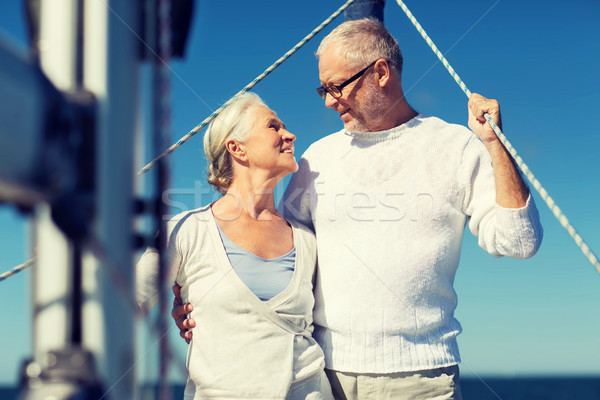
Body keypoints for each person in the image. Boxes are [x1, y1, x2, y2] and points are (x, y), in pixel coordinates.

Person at [172, 19, 543, 399]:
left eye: (336, 86)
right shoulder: (317, 160)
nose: (330, 100)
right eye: (323, 90)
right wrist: (196, 298)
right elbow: (283, 260)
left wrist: (494, 145)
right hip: (325, 378)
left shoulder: (457, 147)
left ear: (381, 72)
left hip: (421, 380)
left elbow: (519, 241)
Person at [136, 92, 333, 399]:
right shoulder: (184, 232)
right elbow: (124, 304)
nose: (289, 134)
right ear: (237, 148)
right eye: (273, 126)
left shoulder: (308, 240)